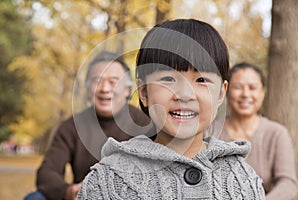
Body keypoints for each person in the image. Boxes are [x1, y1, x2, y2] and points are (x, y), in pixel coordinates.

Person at [78, 19, 265, 199]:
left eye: (201, 80)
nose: (184, 94)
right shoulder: (106, 180)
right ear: (144, 92)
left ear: (220, 94)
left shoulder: (244, 180)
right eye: (168, 79)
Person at [24, 51, 153, 200]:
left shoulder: (146, 124)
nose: (104, 88)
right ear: (87, 88)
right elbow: (47, 173)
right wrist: (69, 191)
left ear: (127, 89)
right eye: (97, 81)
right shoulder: (71, 126)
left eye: (113, 81)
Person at [219, 62, 298, 199]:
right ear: (226, 90)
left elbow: (288, 183)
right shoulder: (210, 131)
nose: (245, 94)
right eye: (237, 87)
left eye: (252, 88)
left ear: (262, 92)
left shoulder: (276, 133)